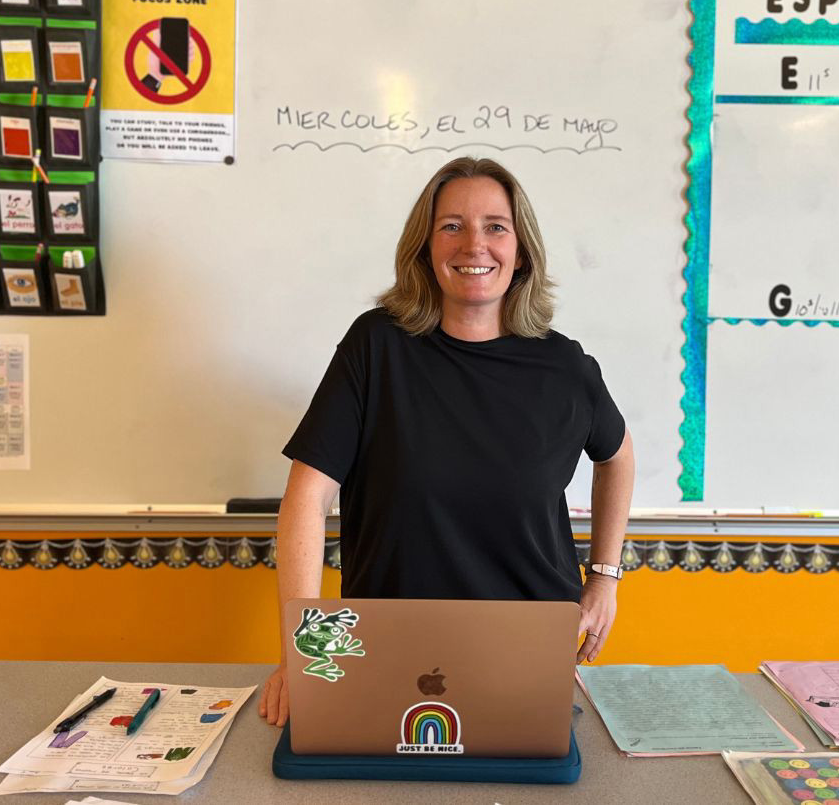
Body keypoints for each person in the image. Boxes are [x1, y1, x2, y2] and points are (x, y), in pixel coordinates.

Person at [259, 157, 635, 727]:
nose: (474, 244)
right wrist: (307, 653)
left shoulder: (565, 367)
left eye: (495, 226)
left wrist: (603, 579)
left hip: (528, 650)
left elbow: (619, 460)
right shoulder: (376, 346)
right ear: (425, 247)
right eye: (452, 226)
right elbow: (307, 500)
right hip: (384, 644)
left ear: (522, 248)